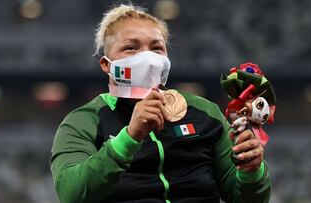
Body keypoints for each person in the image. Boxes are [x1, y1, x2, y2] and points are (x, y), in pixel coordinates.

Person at [50, 4, 271, 203]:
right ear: (107, 65)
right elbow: (72, 194)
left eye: (156, 48)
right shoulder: (83, 121)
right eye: (131, 48)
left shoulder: (205, 112)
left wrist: (251, 172)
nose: (147, 58)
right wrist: (129, 138)